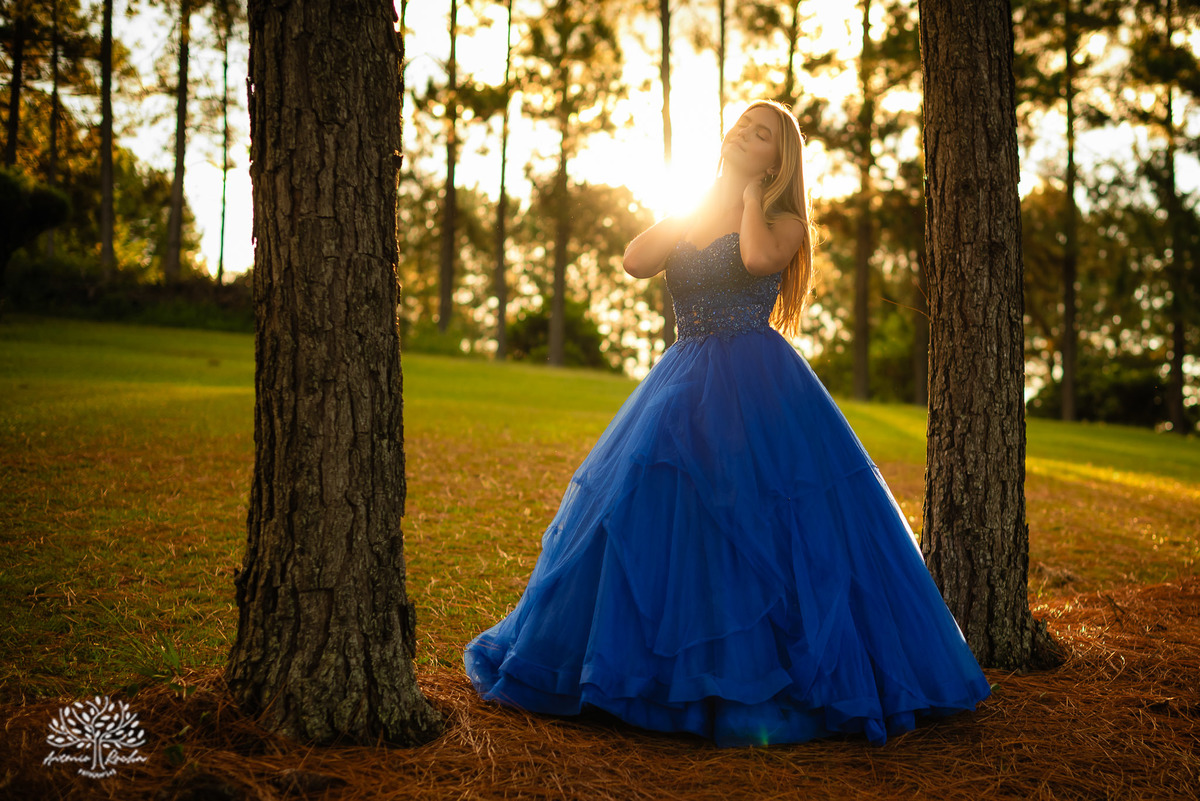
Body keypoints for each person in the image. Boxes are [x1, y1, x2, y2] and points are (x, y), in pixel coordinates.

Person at [464, 100, 992, 747]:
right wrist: (705, 197)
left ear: (780, 159)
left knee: (758, 523)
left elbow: (757, 257)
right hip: (683, 378)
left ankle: (755, 679)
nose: (747, 131)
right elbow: (636, 258)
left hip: (759, 386)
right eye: (744, 123)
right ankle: (642, 673)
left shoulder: (786, 219)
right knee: (656, 513)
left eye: (764, 133)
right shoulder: (697, 204)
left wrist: (747, 194)